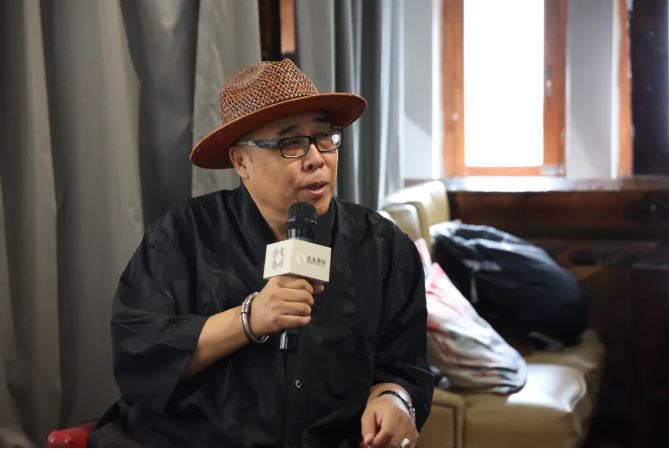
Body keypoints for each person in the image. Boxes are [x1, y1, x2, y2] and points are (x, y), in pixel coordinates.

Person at [89, 59, 433, 448]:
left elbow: (405, 367)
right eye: (290, 143)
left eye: (325, 137)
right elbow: (139, 351)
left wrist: (394, 398)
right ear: (241, 162)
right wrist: (248, 319)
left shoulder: (384, 248)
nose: (316, 158)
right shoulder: (182, 236)